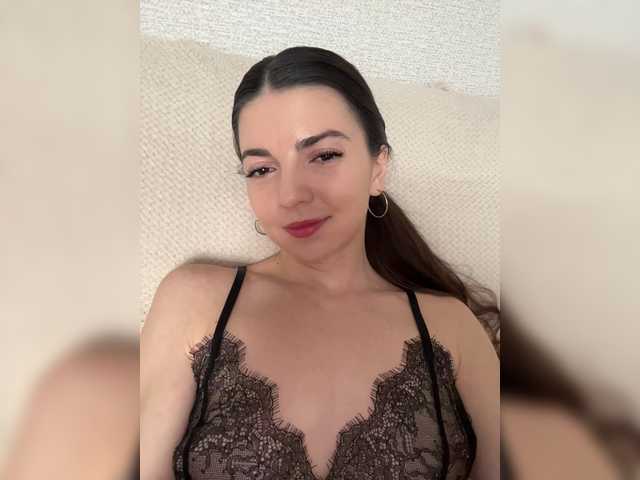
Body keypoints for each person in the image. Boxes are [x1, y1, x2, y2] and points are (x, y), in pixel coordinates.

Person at [140, 46, 500, 480]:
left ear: (378, 168)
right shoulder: (194, 301)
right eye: (261, 170)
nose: (291, 195)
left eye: (324, 155)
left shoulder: (452, 328)